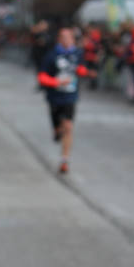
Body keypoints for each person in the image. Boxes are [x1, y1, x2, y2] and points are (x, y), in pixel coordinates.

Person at [36, 25, 93, 175]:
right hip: (54, 97)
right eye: (64, 37)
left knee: (68, 127)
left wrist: (85, 72)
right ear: (59, 39)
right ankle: (56, 131)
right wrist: (56, 82)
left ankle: (64, 160)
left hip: (70, 96)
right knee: (58, 129)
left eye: (70, 37)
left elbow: (81, 68)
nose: (67, 40)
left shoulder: (78, 54)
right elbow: (41, 76)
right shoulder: (51, 56)